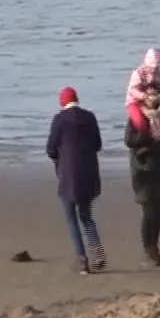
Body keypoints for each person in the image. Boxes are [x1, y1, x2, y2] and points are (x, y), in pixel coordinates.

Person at [46, 86, 107, 274]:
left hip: (68, 175)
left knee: (72, 218)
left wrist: (60, 157)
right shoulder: (90, 117)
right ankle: (98, 255)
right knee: (87, 216)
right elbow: (98, 144)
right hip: (88, 174)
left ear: (62, 101)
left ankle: (82, 260)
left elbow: (50, 148)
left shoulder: (59, 119)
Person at [124, 83, 160, 266]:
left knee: (158, 211)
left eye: (156, 94)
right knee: (148, 211)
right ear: (143, 97)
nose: (153, 98)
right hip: (142, 169)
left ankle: (155, 250)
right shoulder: (136, 117)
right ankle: (148, 251)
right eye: (149, 95)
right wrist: (147, 135)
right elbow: (130, 141)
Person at [126, 47, 160, 111]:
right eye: (152, 67)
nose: (154, 69)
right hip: (135, 101)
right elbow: (132, 90)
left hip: (154, 103)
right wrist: (144, 96)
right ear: (146, 64)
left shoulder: (159, 75)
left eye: (157, 67)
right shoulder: (138, 73)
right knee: (138, 117)